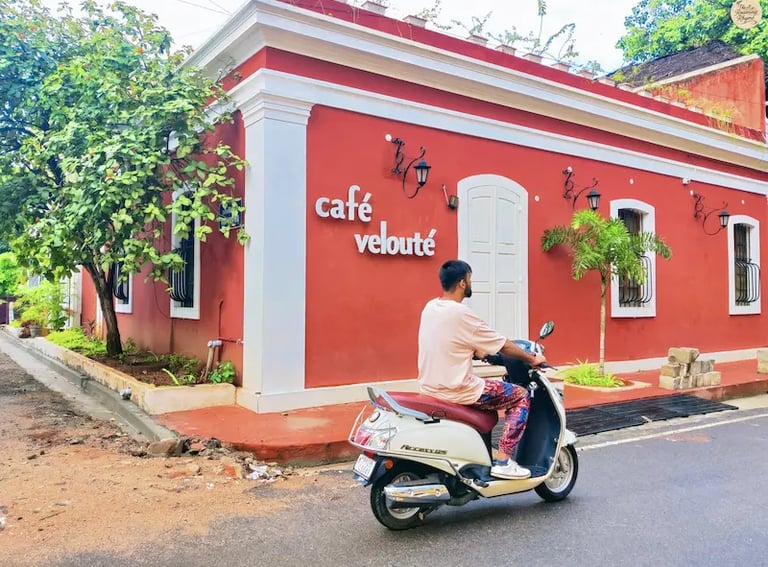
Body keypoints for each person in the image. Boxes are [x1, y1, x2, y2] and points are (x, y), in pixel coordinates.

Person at [417, 259, 546, 480]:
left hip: (430, 386)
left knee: (491, 404)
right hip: (458, 389)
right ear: (461, 283)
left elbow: (450, 340)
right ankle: (504, 461)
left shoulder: (431, 307)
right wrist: (531, 358)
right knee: (520, 396)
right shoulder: (461, 313)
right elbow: (503, 345)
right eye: (470, 278)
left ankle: (481, 457)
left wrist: (476, 351)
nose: (470, 282)